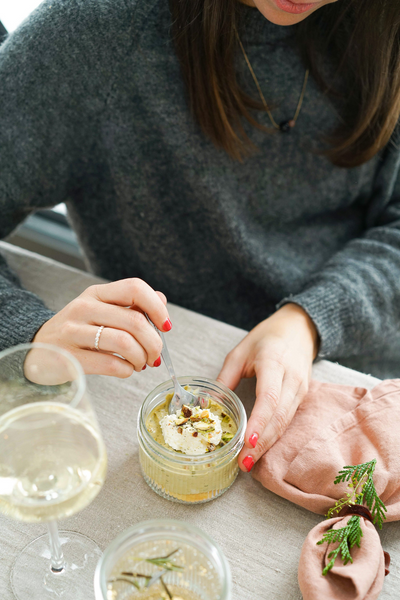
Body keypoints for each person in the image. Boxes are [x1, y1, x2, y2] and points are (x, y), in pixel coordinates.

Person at [1, 0, 400, 474]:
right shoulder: (92, 34)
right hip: (163, 373)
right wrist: (28, 339)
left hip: (361, 378)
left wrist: (309, 321)